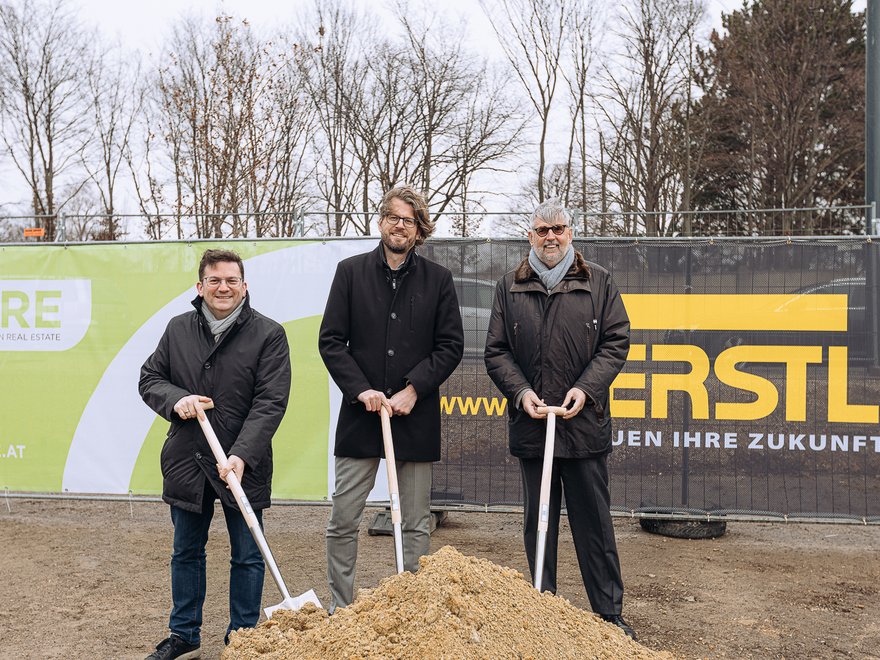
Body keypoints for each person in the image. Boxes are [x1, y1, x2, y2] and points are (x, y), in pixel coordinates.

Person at [484, 200, 636, 640]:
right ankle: (541, 607)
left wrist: (585, 390)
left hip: (584, 425)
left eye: (559, 229)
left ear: (571, 233)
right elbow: (496, 351)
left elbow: (615, 342)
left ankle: (609, 615)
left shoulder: (599, 282)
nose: (551, 236)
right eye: (542, 229)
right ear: (530, 235)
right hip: (533, 426)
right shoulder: (508, 286)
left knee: (595, 523)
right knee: (539, 521)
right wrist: (522, 392)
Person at [139, 249, 291, 660]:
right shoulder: (177, 329)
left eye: (231, 280)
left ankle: (241, 637)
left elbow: (270, 401)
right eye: (214, 280)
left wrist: (241, 455)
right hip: (188, 460)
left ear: (244, 286)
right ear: (200, 286)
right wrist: (178, 399)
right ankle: (184, 633)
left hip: (242, 464)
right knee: (186, 551)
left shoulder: (268, 334)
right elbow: (150, 378)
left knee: (247, 553)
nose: (223, 287)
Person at [318, 185, 464, 613]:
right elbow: (331, 341)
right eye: (393, 217)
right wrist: (360, 389)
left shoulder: (439, 280)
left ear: (420, 230)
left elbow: (450, 346)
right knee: (343, 520)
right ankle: (340, 610)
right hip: (360, 417)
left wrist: (414, 389)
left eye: (410, 220)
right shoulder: (350, 272)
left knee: (416, 524)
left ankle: (411, 611)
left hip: (414, 417)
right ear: (381, 221)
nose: (400, 226)